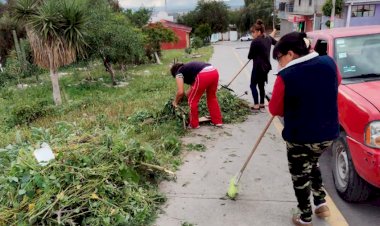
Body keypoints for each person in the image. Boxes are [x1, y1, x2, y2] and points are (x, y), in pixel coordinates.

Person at [269, 32, 342, 226]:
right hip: (328, 134)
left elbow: (275, 109)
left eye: (279, 58)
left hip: (301, 137)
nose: (279, 63)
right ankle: (321, 203)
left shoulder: (286, 76)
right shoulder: (329, 62)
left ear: (290, 54)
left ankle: (305, 216)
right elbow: (337, 82)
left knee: (300, 174)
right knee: (313, 162)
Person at [170, 61, 223, 129]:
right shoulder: (189, 69)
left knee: (192, 101)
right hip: (213, 71)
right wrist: (184, 98)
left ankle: (194, 124)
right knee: (212, 97)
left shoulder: (178, 73)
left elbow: (180, 92)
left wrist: (175, 102)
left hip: (203, 74)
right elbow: (192, 89)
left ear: (174, 73)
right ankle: (217, 121)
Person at [247, 19, 277, 112]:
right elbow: (277, 43)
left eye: (253, 32)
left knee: (252, 85)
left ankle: (256, 105)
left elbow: (250, 56)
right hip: (266, 67)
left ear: (259, 32)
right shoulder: (268, 38)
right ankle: (262, 104)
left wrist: (255, 54)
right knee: (261, 86)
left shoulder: (255, 42)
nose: (252, 34)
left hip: (258, 67)